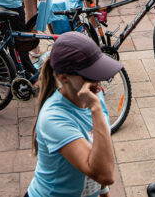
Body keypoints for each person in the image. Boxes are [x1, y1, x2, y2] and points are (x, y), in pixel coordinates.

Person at [27, 31, 121, 197]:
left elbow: (98, 150)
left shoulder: (95, 95)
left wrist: (103, 192)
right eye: (89, 75)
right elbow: (105, 174)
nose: (97, 80)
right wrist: (96, 109)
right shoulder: (54, 118)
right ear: (64, 77)